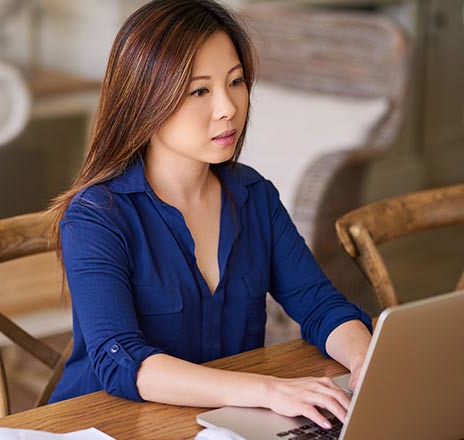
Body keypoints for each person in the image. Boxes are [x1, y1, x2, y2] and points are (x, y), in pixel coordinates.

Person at [46, 0, 373, 431]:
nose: (228, 108)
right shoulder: (95, 217)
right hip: (106, 427)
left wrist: (365, 359)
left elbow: (320, 305)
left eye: (236, 82)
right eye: (199, 90)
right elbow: (121, 360)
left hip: (221, 425)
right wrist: (269, 390)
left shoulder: (254, 195)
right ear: (145, 98)